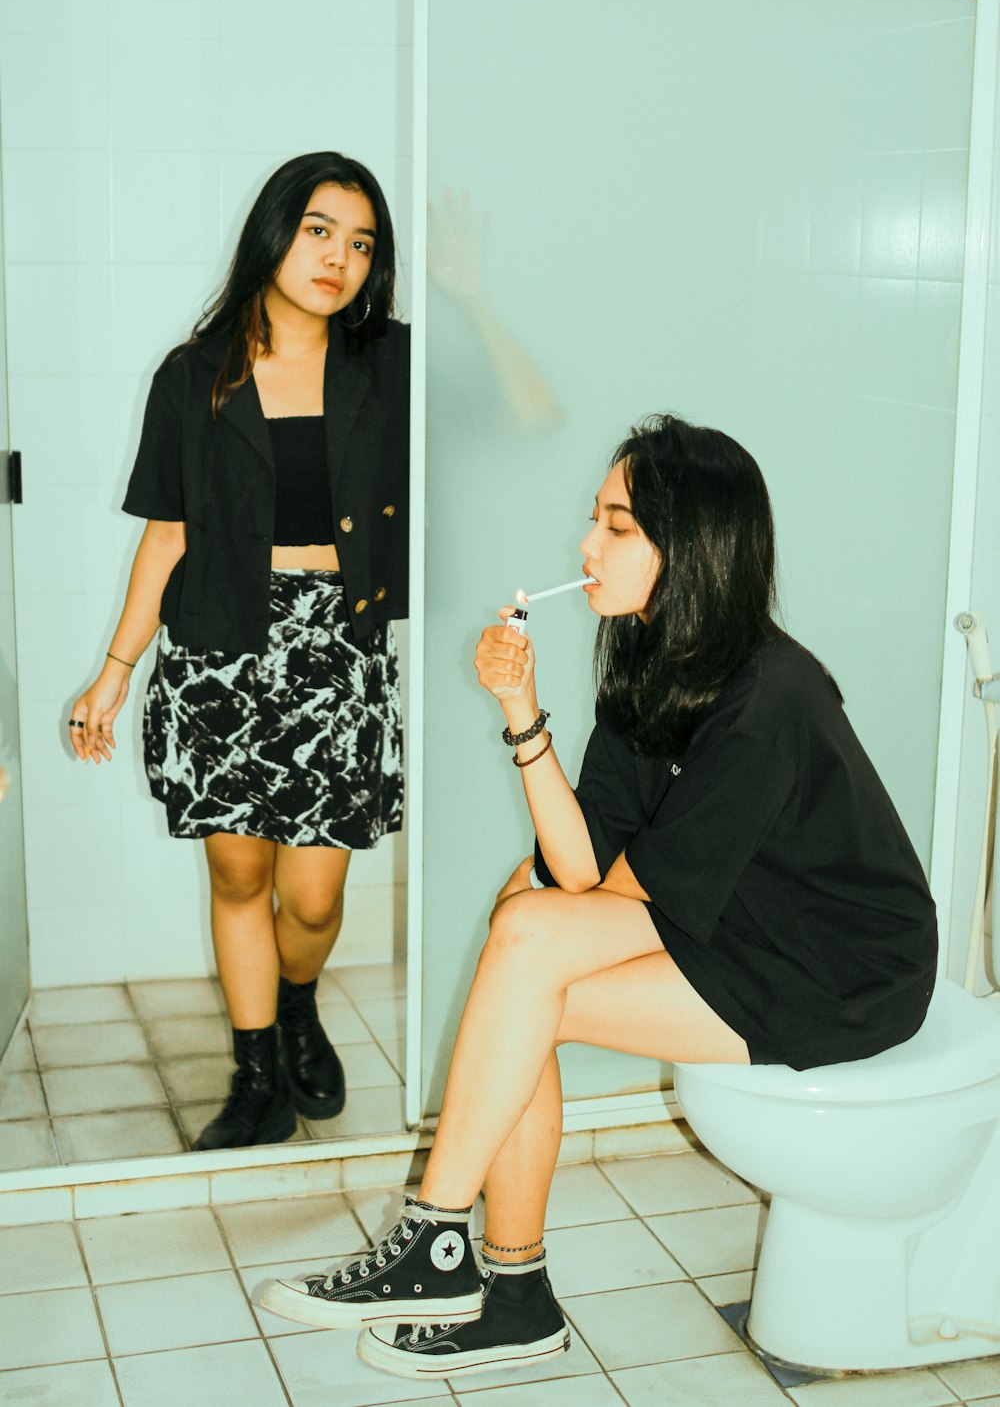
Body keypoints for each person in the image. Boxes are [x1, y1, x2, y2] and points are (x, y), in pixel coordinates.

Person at [255, 412, 938, 1380]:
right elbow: (579, 869)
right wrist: (519, 711)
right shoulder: (645, 658)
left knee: (524, 943)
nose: (586, 546)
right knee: (522, 961)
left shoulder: (767, 701)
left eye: (616, 526)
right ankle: (513, 1293)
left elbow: (594, 899)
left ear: (689, 546)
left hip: (840, 966)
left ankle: (434, 1240)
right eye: (596, 520)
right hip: (738, 925)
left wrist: (526, 915)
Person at [69, 152, 408, 1149]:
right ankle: (256, 1069)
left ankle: (297, 1000)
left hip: (339, 655)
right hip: (220, 648)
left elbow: (520, 421)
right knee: (236, 878)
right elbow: (166, 534)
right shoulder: (194, 375)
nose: (338, 257)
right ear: (274, 234)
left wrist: (470, 299)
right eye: (319, 231)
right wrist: (116, 671)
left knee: (313, 893)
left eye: (360, 243)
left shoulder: (386, 362)